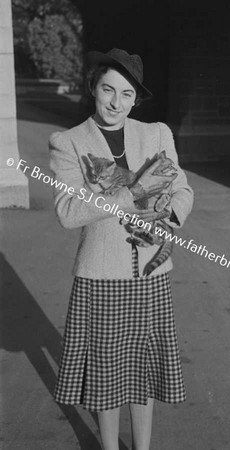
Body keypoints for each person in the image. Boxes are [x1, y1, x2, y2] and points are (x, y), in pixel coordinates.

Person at [49, 48, 194, 450]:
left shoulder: (157, 133)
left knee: (143, 372)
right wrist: (128, 195)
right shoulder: (69, 142)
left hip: (150, 273)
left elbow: (181, 187)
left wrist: (173, 213)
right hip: (101, 275)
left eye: (127, 94)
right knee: (106, 375)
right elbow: (67, 211)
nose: (116, 102)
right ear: (93, 87)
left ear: (136, 99)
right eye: (108, 89)